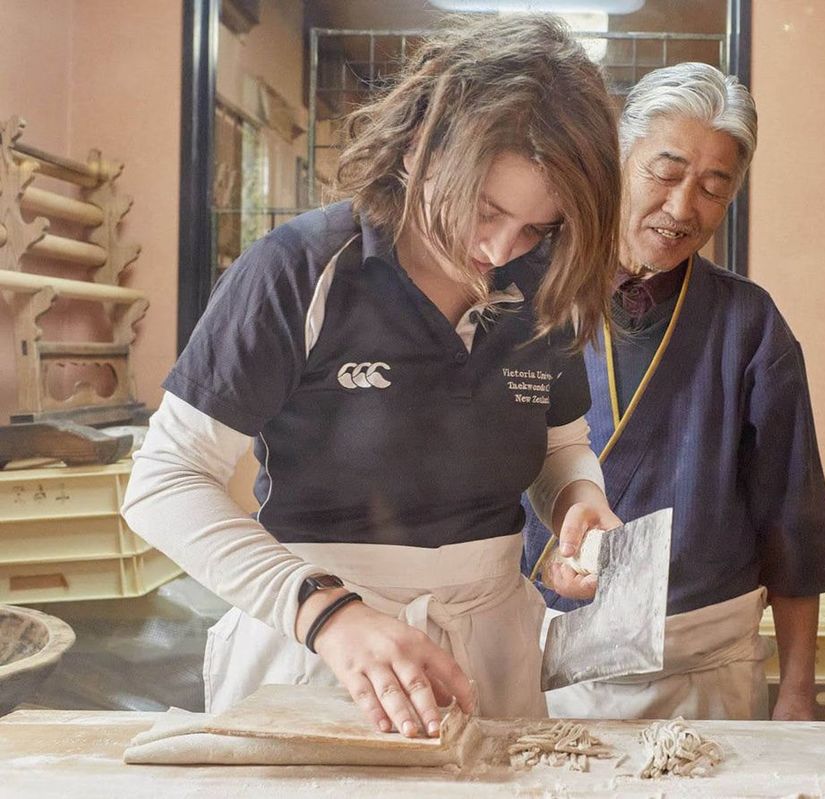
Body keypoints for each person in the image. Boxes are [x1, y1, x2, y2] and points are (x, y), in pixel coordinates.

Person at [122, 13, 622, 738]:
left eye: (535, 228)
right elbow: (164, 481)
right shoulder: (304, 269)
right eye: (485, 209)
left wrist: (580, 499)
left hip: (491, 643)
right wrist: (326, 612)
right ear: (424, 145)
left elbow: (556, 444)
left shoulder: (540, 282)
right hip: (321, 647)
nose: (499, 248)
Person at [527, 63, 825, 721]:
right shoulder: (530, 297)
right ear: (619, 158)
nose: (681, 208)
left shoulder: (751, 325)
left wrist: (797, 690)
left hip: (700, 669)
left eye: (712, 187)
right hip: (537, 655)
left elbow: (793, 518)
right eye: (665, 174)